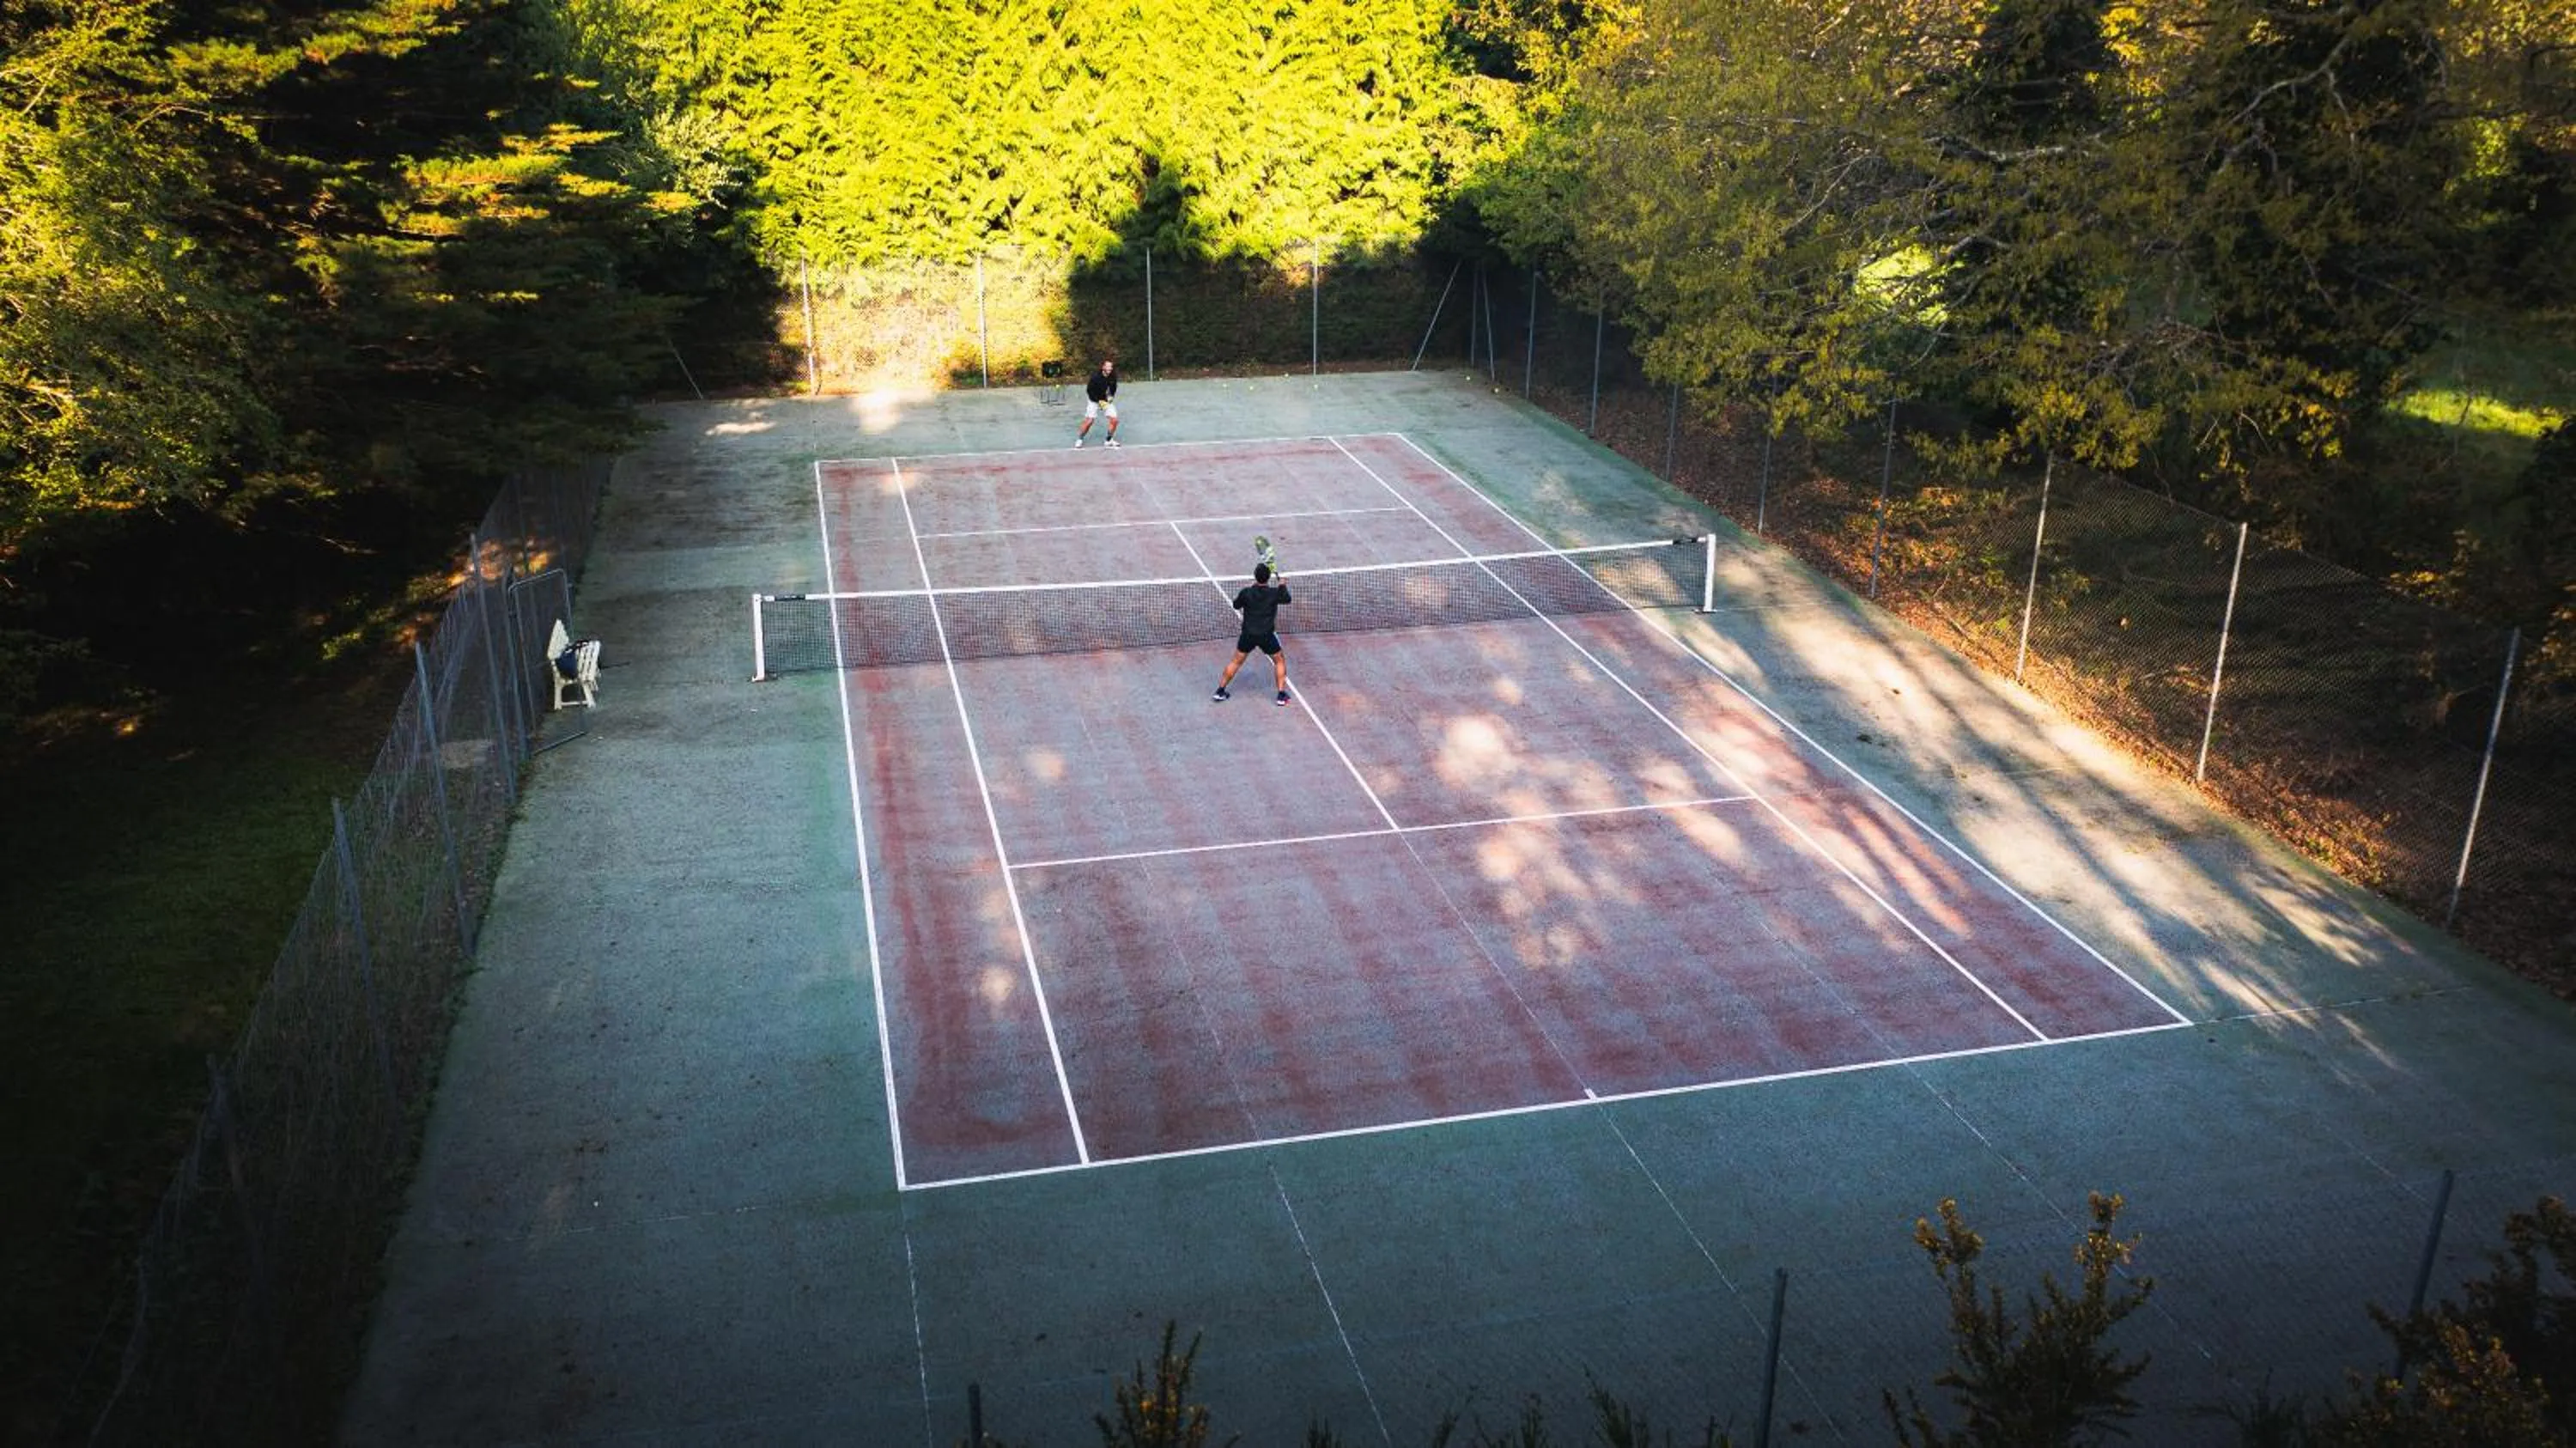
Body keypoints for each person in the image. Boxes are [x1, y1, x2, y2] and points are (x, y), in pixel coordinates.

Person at [1212, 562, 1291, 705]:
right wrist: (1282, 584)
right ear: (1268, 578)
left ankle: (1220, 691)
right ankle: (1281, 695)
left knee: (1235, 662)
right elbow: (1287, 599)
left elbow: (1236, 605)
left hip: (1248, 635)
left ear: (1255, 577)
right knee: (1279, 660)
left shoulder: (1246, 592)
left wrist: (1249, 591)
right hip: (1267, 636)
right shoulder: (1274, 593)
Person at [1073, 357, 1120, 447]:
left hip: (1105, 400)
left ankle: (1109, 440)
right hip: (1093, 400)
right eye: (1108, 367)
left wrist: (1110, 397)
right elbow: (1089, 391)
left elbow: (1113, 389)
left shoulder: (1113, 377)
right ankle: (1080, 439)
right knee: (1089, 421)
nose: (1110, 369)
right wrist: (1098, 401)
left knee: (1114, 420)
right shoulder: (1095, 377)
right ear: (1103, 367)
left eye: (1111, 367)